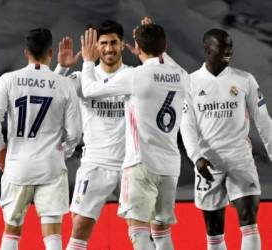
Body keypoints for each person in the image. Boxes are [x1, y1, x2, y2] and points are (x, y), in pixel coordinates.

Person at [80, 23, 189, 250]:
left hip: (141, 163)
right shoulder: (181, 76)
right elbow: (169, 64)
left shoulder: (136, 75)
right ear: (165, 46)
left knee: (138, 232)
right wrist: (157, 48)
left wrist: (89, 60)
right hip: (170, 165)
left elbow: (89, 90)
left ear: (136, 47)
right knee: (161, 230)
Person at [0, 28, 82, 250]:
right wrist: (62, 153)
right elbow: (75, 133)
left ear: (26, 52)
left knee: (12, 229)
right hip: (51, 167)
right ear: (50, 52)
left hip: (17, 165)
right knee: (52, 234)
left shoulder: (8, 80)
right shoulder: (64, 84)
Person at [180, 28, 272, 250]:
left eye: (230, 45)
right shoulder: (190, 83)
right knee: (214, 231)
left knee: (249, 219)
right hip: (208, 164)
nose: (229, 50)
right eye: (223, 46)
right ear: (207, 48)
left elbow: (263, 119)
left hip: (240, 159)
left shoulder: (245, 80)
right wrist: (197, 157)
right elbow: (187, 125)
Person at [55, 20, 128, 250]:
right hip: (95, 164)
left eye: (114, 43)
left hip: (131, 165)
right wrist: (62, 68)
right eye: (103, 43)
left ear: (123, 45)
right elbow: (52, 94)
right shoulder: (83, 77)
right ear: (95, 47)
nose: (109, 48)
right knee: (78, 231)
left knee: (147, 230)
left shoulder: (134, 76)